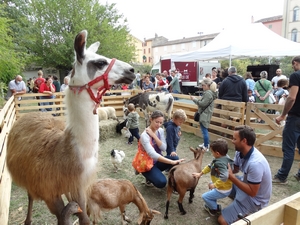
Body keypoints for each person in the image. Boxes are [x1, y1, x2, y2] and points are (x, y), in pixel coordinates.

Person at [217, 125, 272, 225]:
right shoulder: (240, 152)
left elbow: (252, 192)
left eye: (234, 139)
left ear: (244, 141)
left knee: (222, 221)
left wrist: (231, 177)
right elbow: (236, 169)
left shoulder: (256, 163)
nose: (232, 141)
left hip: (256, 200)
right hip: (246, 184)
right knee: (218, 184)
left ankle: (249, 213)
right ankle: (239, 204)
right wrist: (224, 169)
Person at [137, 110, 184, 188]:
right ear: (151, 119)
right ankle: (148, 176)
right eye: (156, 122)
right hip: (147, 164)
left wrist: (154, 136)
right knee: (162, 182)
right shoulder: (144, 135)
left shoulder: (160, 131)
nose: (158, 125)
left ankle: (168, 178)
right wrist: (171, 162)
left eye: (161, 123)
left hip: (156, 162)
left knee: (175, 157)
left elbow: (163, 148)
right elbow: (152, 154)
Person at [274, 55, 300, 184]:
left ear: (295, 63)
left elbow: (291, 98)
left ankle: (281, 176)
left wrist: (283, 114)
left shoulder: (296, 75)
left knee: (289, 148)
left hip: (295, 116)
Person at [192, 139, 233, 216]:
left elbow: (224, 176)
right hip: (222, 186)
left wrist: (215, 185)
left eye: (212, 152)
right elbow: (210, 166)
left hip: (223, 189)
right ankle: (212, 203)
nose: (211, 153)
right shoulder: (221, 158)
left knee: (205, 197)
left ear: (217, 153)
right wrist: (200, 174)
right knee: (210, 184)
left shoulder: (220, 163)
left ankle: (215, 209)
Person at [190, 78, 217, 151]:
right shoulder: (211, 93)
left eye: (203, 85)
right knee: (204, 130)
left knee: (204, 130)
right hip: (206, 113)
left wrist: (194, 99)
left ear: (207, 85)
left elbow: (202, 104)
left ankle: (206, 146)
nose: (202, 87)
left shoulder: (208, 93)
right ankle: (206, 144)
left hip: (205, 114)